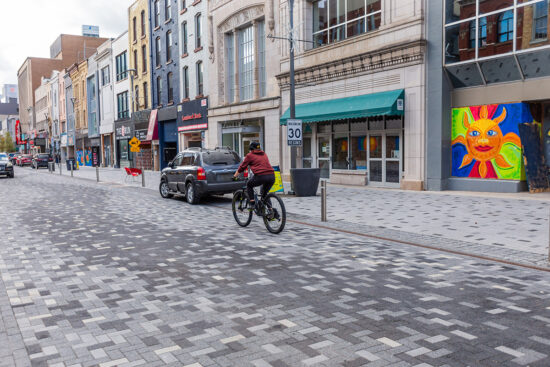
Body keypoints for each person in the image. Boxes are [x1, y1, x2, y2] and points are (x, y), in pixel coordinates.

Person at [234, 141, 275, 207]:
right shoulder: (264, 154)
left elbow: (242, 167)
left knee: (249, 184)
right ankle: (271, 211)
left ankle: (252, 203)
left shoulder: (250, 155)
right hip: (272, 176)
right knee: (264, 194)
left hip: (261, 176)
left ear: (251, 149)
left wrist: (235, 175)